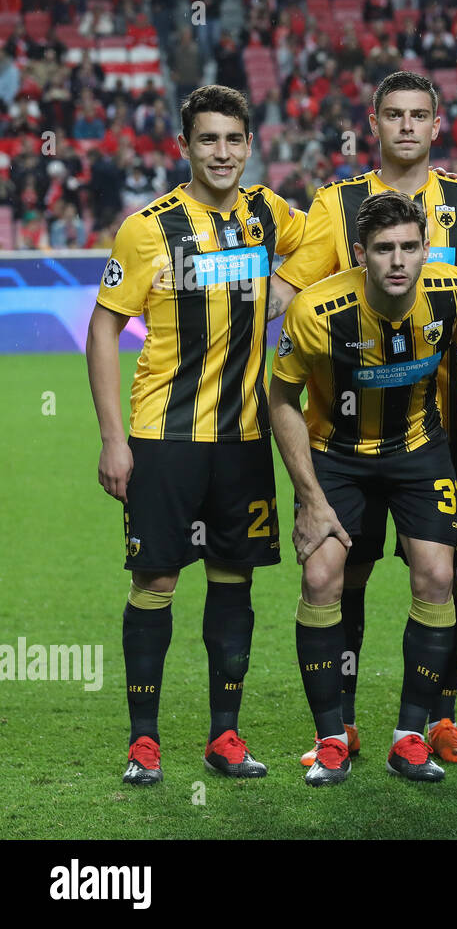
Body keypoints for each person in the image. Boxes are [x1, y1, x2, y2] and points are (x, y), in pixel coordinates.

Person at [87, 85, 305, 785]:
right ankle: (143, 742)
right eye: (207, 139)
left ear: (249, 144)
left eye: (233, 139)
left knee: (233, 583)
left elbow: (334, 238)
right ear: (184, 146)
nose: (221, 151)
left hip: (243, 440)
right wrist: (112, 437)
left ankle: (225, 736)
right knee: (155, 579)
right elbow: (102, 328)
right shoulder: (147, 229)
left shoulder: (268, 213)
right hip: (163, 437)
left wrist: (291, 286)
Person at [271, 70, 457, 768]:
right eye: (392, 114)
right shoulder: (336, 204)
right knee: (342, 574)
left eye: (418, 115)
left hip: (432, 425)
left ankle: (430, 724)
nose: (405, 126)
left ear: (435, 123)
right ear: (374, 122)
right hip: (342, 427)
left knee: (443, 574)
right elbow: (297, 287)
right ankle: (340, 725)